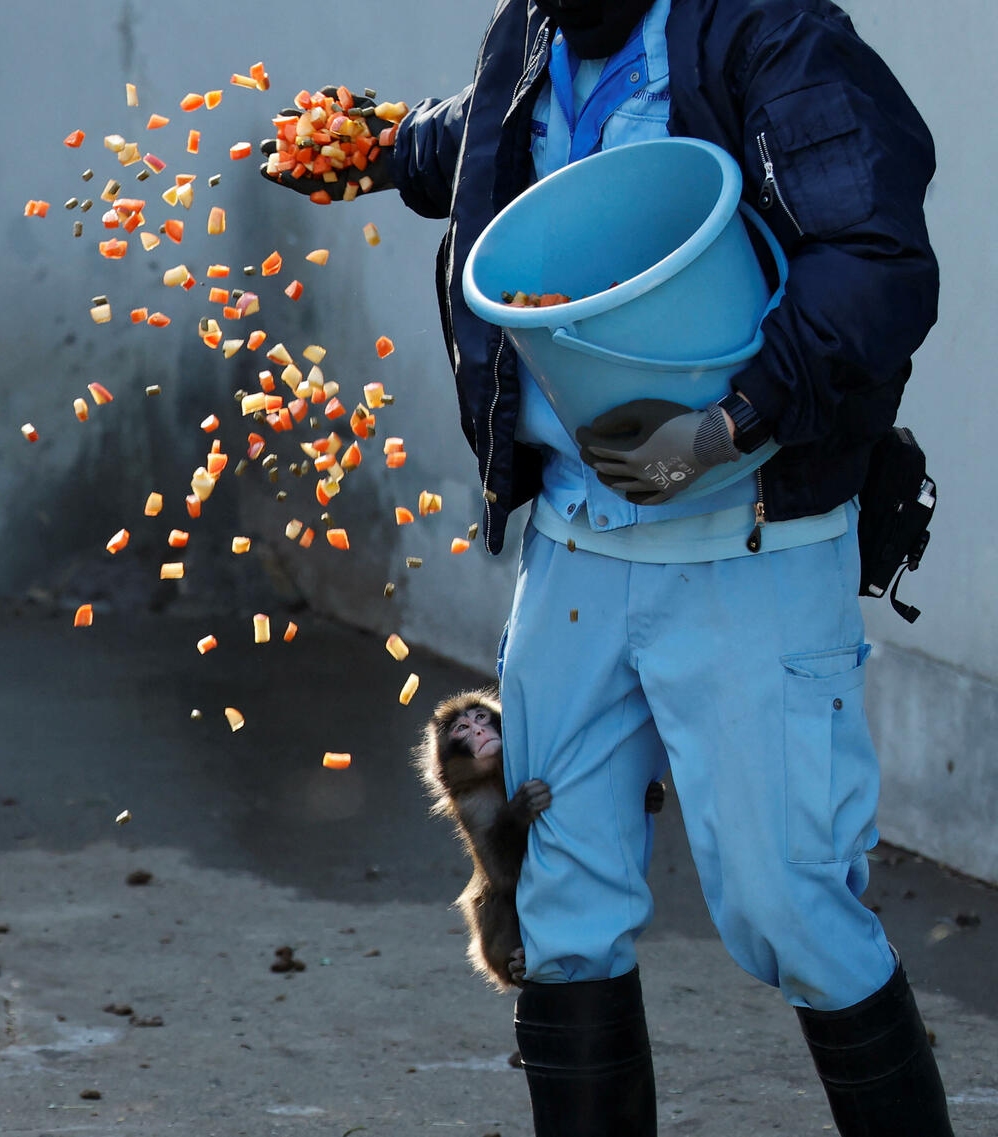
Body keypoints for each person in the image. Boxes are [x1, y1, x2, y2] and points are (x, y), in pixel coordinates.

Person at [262, 1, 949, 1133]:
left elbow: (875, 261)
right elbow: (499, 133)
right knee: (558, 905)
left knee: (789, 910)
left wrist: (725, 425)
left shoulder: (772, 35)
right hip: (576, 549)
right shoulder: (532, 29)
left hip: (746, 543)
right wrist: (383, 145)